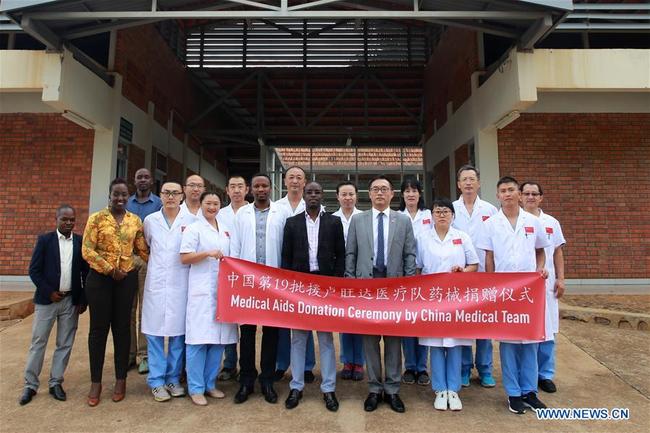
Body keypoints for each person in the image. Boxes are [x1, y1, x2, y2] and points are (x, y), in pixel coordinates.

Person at [476, 176, 551, 415]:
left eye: (511, 190)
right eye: (503, 191)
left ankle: (530, 391)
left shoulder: (533, 221)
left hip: (529, 290)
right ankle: (514, 393)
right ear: (497, 196)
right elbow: (489, 257)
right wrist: (491, 285)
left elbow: (541, 251)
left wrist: (540, 269)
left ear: (519, 193)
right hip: (505, 291)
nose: (507, 194)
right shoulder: (490, 223)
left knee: (530, 341)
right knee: (508, 343)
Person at [345, 175, 416, 413]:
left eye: (384, 189)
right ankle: (374, 389)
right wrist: (352, 285)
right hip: (367, 288)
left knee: (394, 341)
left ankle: (393, 390)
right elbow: (351, 254)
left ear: (392, 193)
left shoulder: (403, 221)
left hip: (394, 289)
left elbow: (409, 255)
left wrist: (406, 286)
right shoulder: (358, 220)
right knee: (370, 341)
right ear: (369, 193)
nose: (380, 193)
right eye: (375, 189)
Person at [82, 178, 149, 406]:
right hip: (100, 280)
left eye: (123, 195)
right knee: (98, 331)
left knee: (122, 329)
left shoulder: (135, 220)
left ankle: (121, 380)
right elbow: (87, 250)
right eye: (116, 194)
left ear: (128, 197)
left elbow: (142, 249)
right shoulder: (97, 219)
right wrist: (110, 270)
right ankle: (96, 383)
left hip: (126, 281)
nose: (120, 198)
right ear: (109, 195)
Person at [282, 182, 345, 412]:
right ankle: (296, 386)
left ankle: (328, 389)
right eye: (309, 192)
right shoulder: (291, 223)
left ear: (322, 195)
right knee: (298, 339)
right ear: (304, 196)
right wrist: (289, 288)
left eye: (317, 192)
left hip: (325, 286)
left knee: (326, 340)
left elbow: (341, 255)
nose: (313, 196)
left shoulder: (333, 222)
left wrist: (335, 284)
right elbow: (285, 259)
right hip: (300, 287)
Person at [19, 205, 89, 406]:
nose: (68, 223)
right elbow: (34, 270)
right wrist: (48, 291)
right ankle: (30, 385)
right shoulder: (44, 241)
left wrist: (82, 299)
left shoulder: (79, 241)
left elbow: (85, 272)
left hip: (70, 301)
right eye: (64, 219)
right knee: (38, 342)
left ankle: (55, 382)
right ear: (56, 219)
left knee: (65, 343)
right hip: (47, 301)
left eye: (72, 219)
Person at [230, 173, 291, 404]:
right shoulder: (241, 214)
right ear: (250, 190)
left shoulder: (281, 213)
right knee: (246, 332)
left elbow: (286, 245)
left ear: (270, 188)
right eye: (257, 186)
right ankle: (246, 380)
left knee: (271, 333)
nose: (261, 189)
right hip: (247, 280)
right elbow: (235, 246)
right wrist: (234, 274)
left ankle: (267, 379)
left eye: (265, 185)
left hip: (273, 282)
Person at [416, 198, 478, 411]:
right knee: (435, 344)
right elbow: (417, 268)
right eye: (437, 211)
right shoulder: (423, 238)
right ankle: (440, 389)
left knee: (454, 344)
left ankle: (454, 389)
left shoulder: (462, 237)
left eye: (445, 211)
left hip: (455, 299)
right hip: (431, 299)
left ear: (453, 215)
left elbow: (474, 264)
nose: (441, 215)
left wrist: (463, 271)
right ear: (431, 215)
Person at [180, 191, 238, 406]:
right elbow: (184, 257)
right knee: (198, 340)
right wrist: (206, 253)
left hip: (222, 291)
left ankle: (210, 384)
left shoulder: (225, 230)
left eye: (215, 203)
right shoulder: (194, 229)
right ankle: (196, 388)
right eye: (208, 203)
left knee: (218, 341)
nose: (212, 207)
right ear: (201, 204)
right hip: (202, 293)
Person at [141, 181, 196, 402]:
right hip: (156, 284)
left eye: (175, 193)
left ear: (182, 196)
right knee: (154, 334)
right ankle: (156, 381)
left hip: (180, 284)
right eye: (166, 193)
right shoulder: (150, 221)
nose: (171, 196)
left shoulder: (191, 221)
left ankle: (173, 378)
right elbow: (147, 245)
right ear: (160, 195)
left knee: (177, 335)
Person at [452, 164, 498, 388]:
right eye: (464, 179)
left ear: (479, 183)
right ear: (458, 184)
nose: (468, 183)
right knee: (462, 324)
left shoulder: (490, 210)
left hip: (483, 275)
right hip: (459, 275)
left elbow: (495, 245)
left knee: (483, 325)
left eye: (472, 179)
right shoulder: (451, 210)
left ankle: (485, 368)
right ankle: (463, 368)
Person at [520, 181, 566, 394]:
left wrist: (561, 278)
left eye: (534, 194)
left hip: (546, 284)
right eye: (526, 193)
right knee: (525, 330)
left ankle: (545, 374)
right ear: (520, 196)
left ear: (541, 198)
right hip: (523, 286)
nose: (530, 197)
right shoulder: (516, 221)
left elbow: (557, 252)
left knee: (548, 329)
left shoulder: (551, 222)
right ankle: (527, 371)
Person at [274, 165, 316, 383]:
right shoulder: (275, 207)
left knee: (305, 319)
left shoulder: (313, 206)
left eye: (299, 178)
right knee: (282, 319)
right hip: (282, 268)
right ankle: (281, 363)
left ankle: (307, 366)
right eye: (291, 177)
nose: (295, 181)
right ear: (284, 181)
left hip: (305, 271)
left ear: (305, 181)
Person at [126, 168, 162, 375]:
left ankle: (144, 355)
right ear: (135, 180)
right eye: (139, 177)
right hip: (127, 260)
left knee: (145, 310)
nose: (142, 180)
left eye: (146, 177)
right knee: (127, 310)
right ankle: (129, 354)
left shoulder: (158, 204)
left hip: (149, 260)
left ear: (151, 181)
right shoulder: (127, 202)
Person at [398, 176, 432, 386]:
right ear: (402, 195)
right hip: (403, 277)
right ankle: (410, 366)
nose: (411, 194)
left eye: (414, 190)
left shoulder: (430, 215)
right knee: (406, 323)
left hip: (425, 276)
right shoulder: (396, 216)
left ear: (420, 193)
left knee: (423, 323)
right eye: (407, 190)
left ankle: (422, 367)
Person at [216, 175, 250, 382]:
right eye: (233, 187)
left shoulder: (254, 212)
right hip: (225, 274)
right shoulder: (219, 214)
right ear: (227, 190)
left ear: (247, 190)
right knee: (228, 321)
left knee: (250, 323)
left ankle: (251, 365)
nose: (237, 190)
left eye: (240, 186)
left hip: (251, 276)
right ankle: (229, 364)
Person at [332, 181, 364, 381]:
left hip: (360, 275)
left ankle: (359, 362)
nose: (347, 198)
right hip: (340, 275)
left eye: (351, 194)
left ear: (356, 196)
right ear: (337, 197)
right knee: (344, 319)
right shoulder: (331, 218)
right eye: (344, 194)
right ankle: (347, 361)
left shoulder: (363, 218)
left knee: (359, 319)